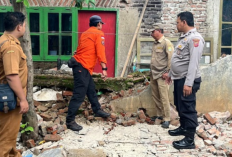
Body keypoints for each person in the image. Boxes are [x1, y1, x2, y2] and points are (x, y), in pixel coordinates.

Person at [165, 11, 204, 149]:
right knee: (180, 105)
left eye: (177, 22)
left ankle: (189, 140)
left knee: (187, 108)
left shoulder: (195, 39)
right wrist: (170, 74)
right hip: (179, 78)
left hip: (188, 80)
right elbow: (178, 59)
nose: (176, 25)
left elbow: (193, 63)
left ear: (184, 22)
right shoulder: (184, 38)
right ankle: (183, 127)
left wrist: (188, 84)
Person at [66, 15, 111, 131]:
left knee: (91, 89)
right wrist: (104, 69)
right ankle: (70, 121)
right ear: (99, 24)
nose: (101, 26)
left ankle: (97, 110)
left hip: (82, 66)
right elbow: (101, 52)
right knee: (79, 94)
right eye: (101, 24)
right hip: (82, 66)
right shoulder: (98, 33)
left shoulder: (85, 33)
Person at [0, 12, 29, 157]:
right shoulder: (10, 46)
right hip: (9, 98)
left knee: (8, 136)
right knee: (6, 139)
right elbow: (11, 75)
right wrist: (23, 99)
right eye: (24, 25)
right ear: (19, 27)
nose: (25, 28)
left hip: (6, 95)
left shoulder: (2, 40)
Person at [150, 25, 174, 128]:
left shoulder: (166, 43)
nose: (151, 33)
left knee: (164, 97)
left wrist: (168, 72)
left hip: (162, 74)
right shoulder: (155, 44)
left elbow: (171, 58)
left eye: (153, 31)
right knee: (156, 96)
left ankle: (167, 119)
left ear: (159, 31)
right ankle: (160, 115)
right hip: (154, 73)